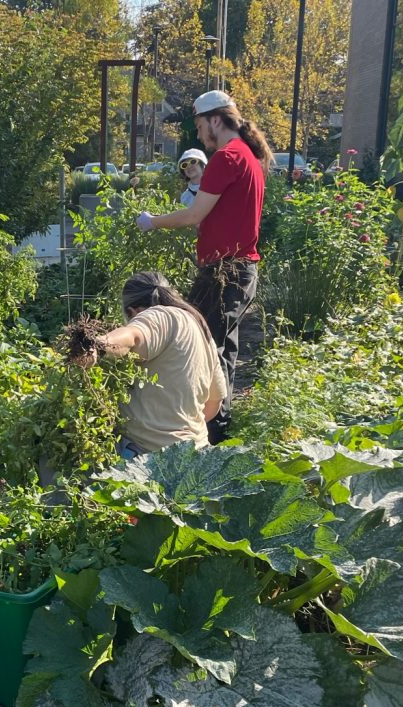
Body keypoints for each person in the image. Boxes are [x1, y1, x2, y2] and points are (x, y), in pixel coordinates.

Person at [134, 90, 271, 443]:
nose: (197, 134)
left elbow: (195, 213)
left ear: (215, 119)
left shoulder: (227, 158)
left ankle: (203, 435)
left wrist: (153, 221)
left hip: (224, 272)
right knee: (224, 349)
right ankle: (219, 431)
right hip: (241, 270)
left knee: (203, 348)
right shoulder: (249, 157)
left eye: (198, 124)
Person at [89, 271, 226, 456]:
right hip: (196, 452)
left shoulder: (159, 316)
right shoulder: (200, 329)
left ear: (132, 311)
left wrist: (94, 347)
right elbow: (214, 402)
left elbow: (132, 337)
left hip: (151, 459)